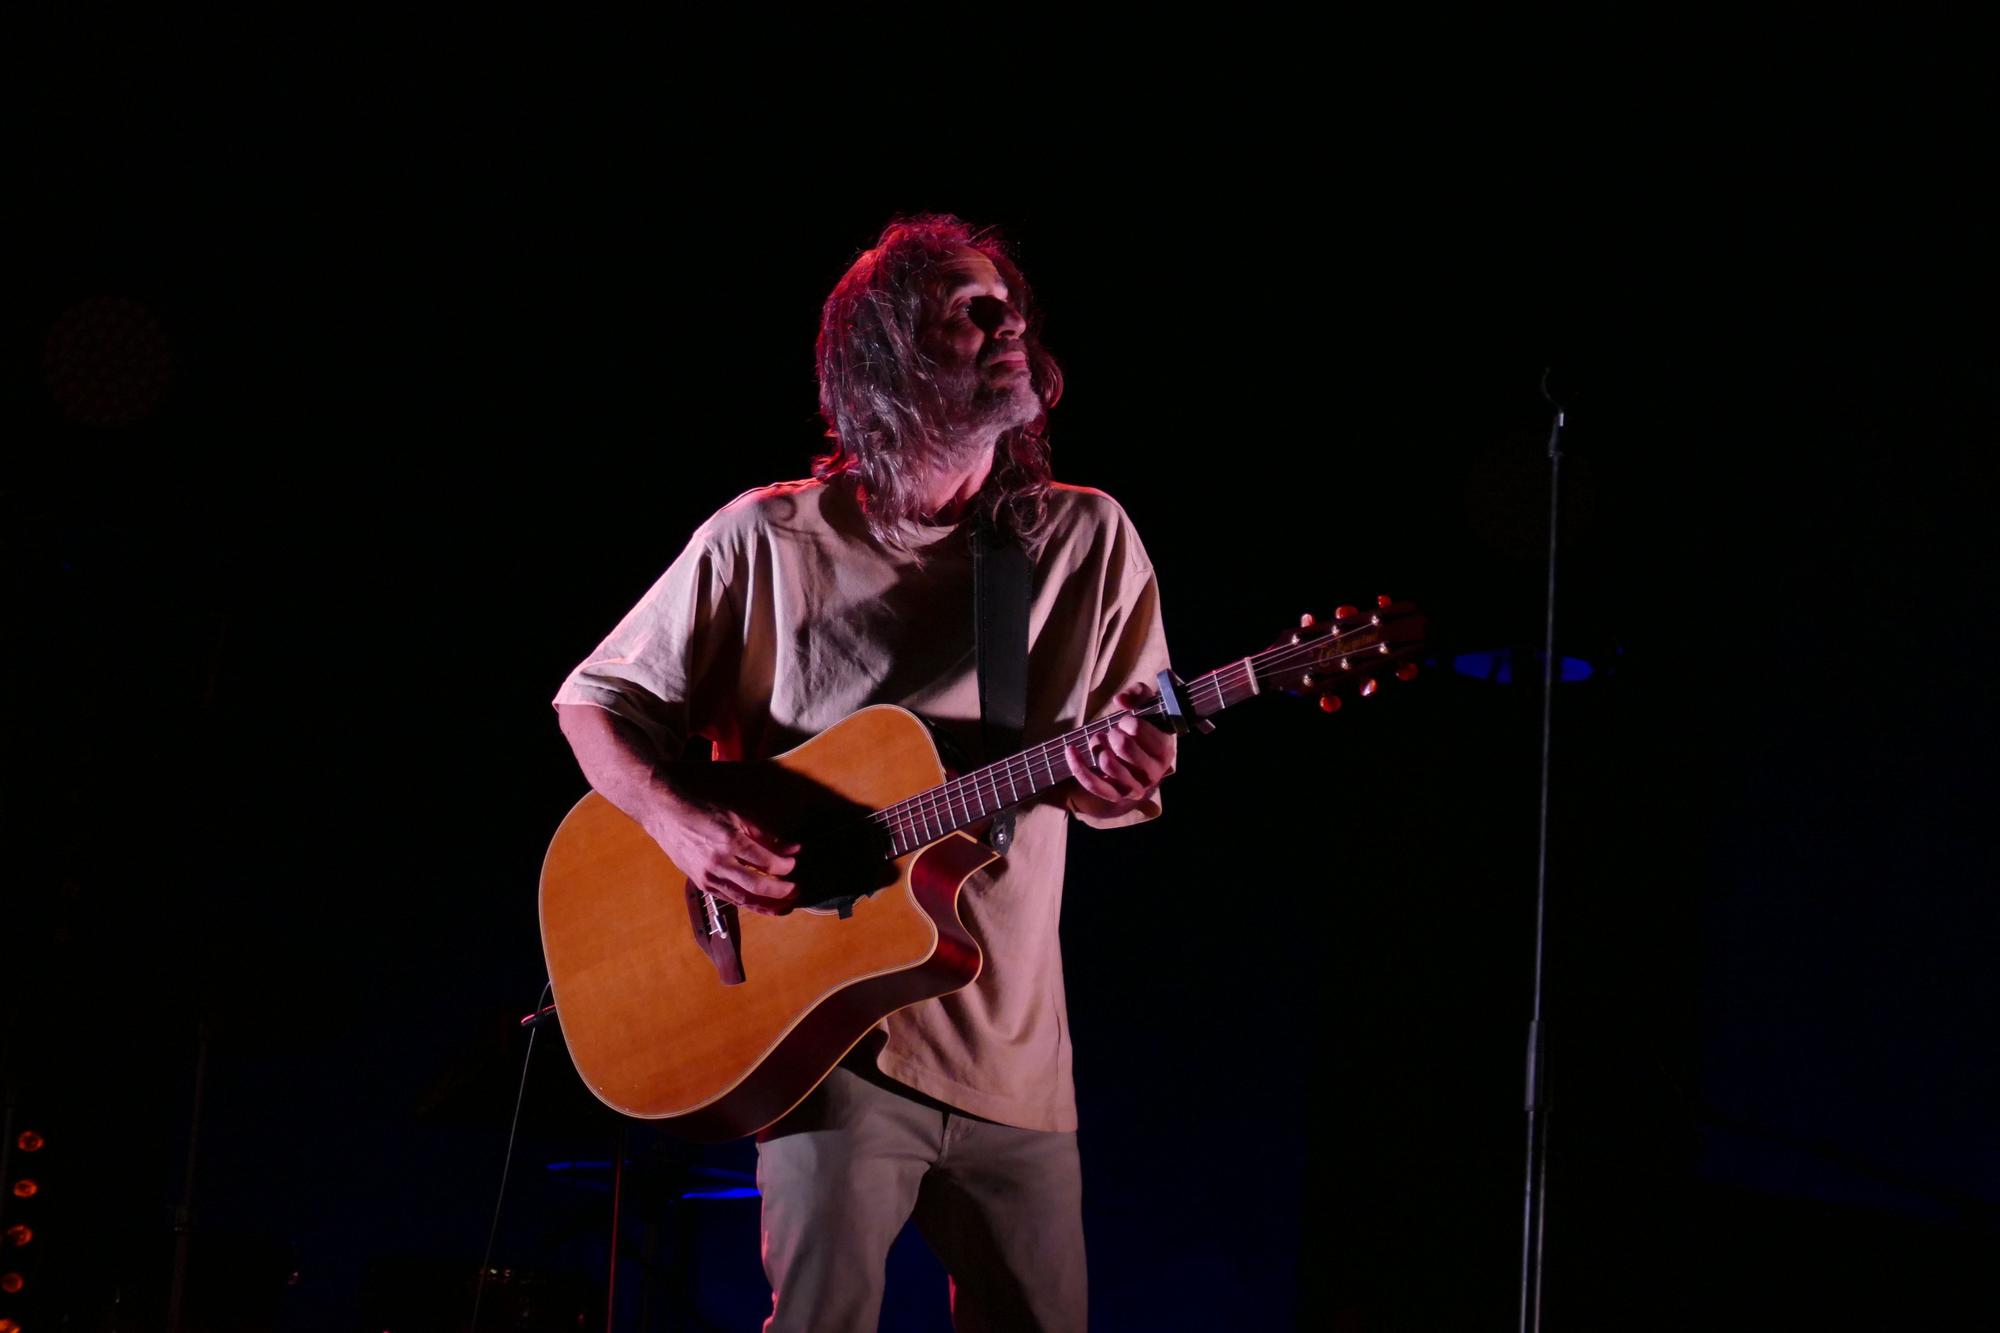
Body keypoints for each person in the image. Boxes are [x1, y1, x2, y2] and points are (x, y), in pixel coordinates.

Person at [552, 214, 1175, 1332]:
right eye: (968, 309)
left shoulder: (1082, 541)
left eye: (1010, 305)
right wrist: (679, 825)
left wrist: (1122, 768)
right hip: (825, 1046)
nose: (1009, 323)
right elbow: (591, 702)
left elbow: (1111, 776)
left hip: (1014, 1053)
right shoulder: (765, 540)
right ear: (885, 354)